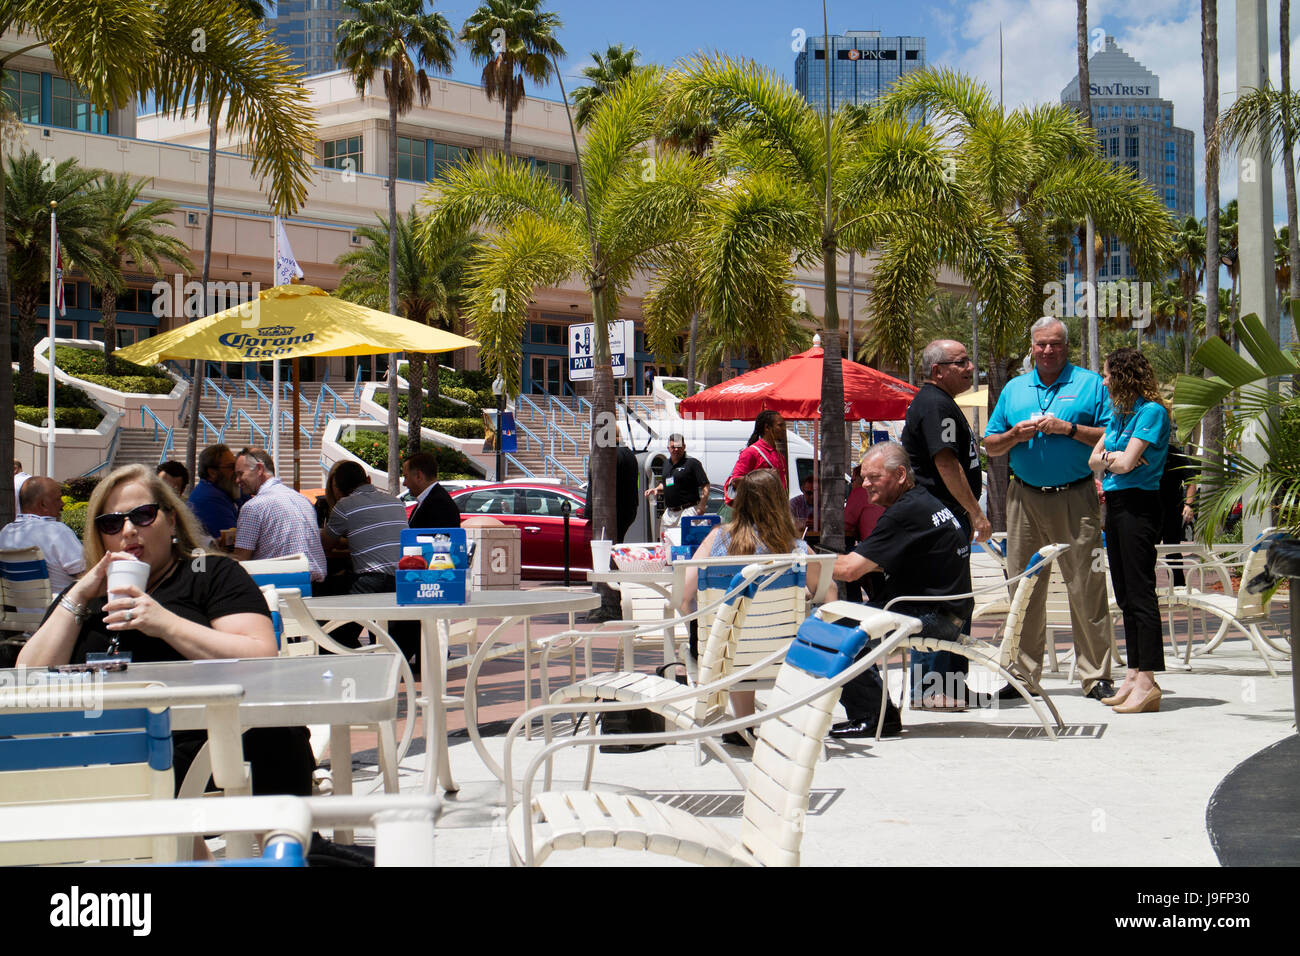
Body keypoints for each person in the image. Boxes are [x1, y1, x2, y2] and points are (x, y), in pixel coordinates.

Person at [16, 464, 315, 798]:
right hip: (97, 756)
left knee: (276, 731)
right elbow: (28, 676)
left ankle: (290, 844)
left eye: (142, 515)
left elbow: (259, 657)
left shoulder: (211, 573)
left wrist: (164, 623)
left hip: (195, 746)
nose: (128, 530)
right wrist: (78, 595)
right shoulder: (85, 597)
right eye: (112, 522)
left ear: (171, 519)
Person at [984, 316, 1115, 702]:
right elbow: (991, 444)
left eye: (1055, 343)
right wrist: (1013, 435)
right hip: (1023, 498)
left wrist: (1067, 429)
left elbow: (1112, 435)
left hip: (1076, 496)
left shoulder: (1090, 384)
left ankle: (1096, 676)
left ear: (1066, 346)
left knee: (1086, 588)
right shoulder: (1013, 388)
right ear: (1032, 346)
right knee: (1024, 589)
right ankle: (1023, 677)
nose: (1047, 350)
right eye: (1041, 344)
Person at [830, 443, 974, 734]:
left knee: (834, 631)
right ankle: (878, 711)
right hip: (950, 610)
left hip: (934, 617)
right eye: (863, 477)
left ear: (899, 474)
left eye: (873, 477)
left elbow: (848, 570)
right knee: (844, 623)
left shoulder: (904, 513)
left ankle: (875, 715)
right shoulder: (924, 500)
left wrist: (798, 560)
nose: (865, 484)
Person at [679, 469, 834, 738]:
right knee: (756, 632)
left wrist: (705, 627)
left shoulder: (717, 539)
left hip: (721, 654)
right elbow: (828, 592)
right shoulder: (795, 548)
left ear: (741, 502)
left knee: (736, 632)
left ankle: (743, 724)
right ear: (779, 503)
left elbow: (684, 598)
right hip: (782, 652)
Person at [900, 339, 991, 707]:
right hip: (937, 521)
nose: (970, 367)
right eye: (961, 362)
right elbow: (945, 463)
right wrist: (976, 511)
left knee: (956, 603)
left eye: (970, 360)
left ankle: (951, 684)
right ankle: (928, 689)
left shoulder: (942, 403)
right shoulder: (935, 404)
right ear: (938, 370)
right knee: (938, 603)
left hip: (947, 522)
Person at [1088, 348, 1171, 714]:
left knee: (1141, 594)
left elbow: (1122, 463)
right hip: (1118, 506)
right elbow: (1097, 462)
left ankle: (1149, 680)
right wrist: (1112, 462)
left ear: (1123, 375)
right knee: (1124, 595)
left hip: (1140, 505)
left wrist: (1112, 461)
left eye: (1107, 374)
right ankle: (1134, 673)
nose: (1103, 380)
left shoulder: (1151, 412)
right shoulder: (1120, 415)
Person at [230, 447, 327, 582]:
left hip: (278, 588)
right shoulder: (302, 499)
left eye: (241, 473)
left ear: (259, 469)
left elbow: (241, 561)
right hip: (316, 587)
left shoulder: (253, 507)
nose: (237, 480)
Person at [0, 477, 86, 593]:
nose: (63, 503)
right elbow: (86, 574)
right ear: (43, 505)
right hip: (59, 609)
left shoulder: (5, 532)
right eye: (58, 499)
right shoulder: (57, 531)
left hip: (17, 610)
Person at [644, 433, 709, 532]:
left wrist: (702, 506)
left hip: (688, 510)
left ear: (684, 447)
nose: (676, 450)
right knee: (666, 542)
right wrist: (656, 489)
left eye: (679, 447)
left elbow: (706, 486)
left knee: (684, 542)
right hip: (670, 513)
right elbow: (666, 484)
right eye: (673, 447)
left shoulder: (692, 463)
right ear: (668, 448)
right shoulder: (666, 464)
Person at [726, 410, 788, 500]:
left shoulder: (780, 456)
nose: (783, 429)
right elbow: (736, 481)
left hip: (777, 509)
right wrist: (765, 477)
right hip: (758, 510)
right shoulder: (751, 452)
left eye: (784, 425)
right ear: (767, 427)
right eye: (780, 425)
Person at [188, 443, 239, 542]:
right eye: (231, 467)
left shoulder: (223, 489)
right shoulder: (209, 499)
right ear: (212, 472)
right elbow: (231, 541)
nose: (236, 471)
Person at [403, 452, 461, 529]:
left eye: (406, 477)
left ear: (418, 476)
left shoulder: (439, 504)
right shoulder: (431, 500)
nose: (404, 483)